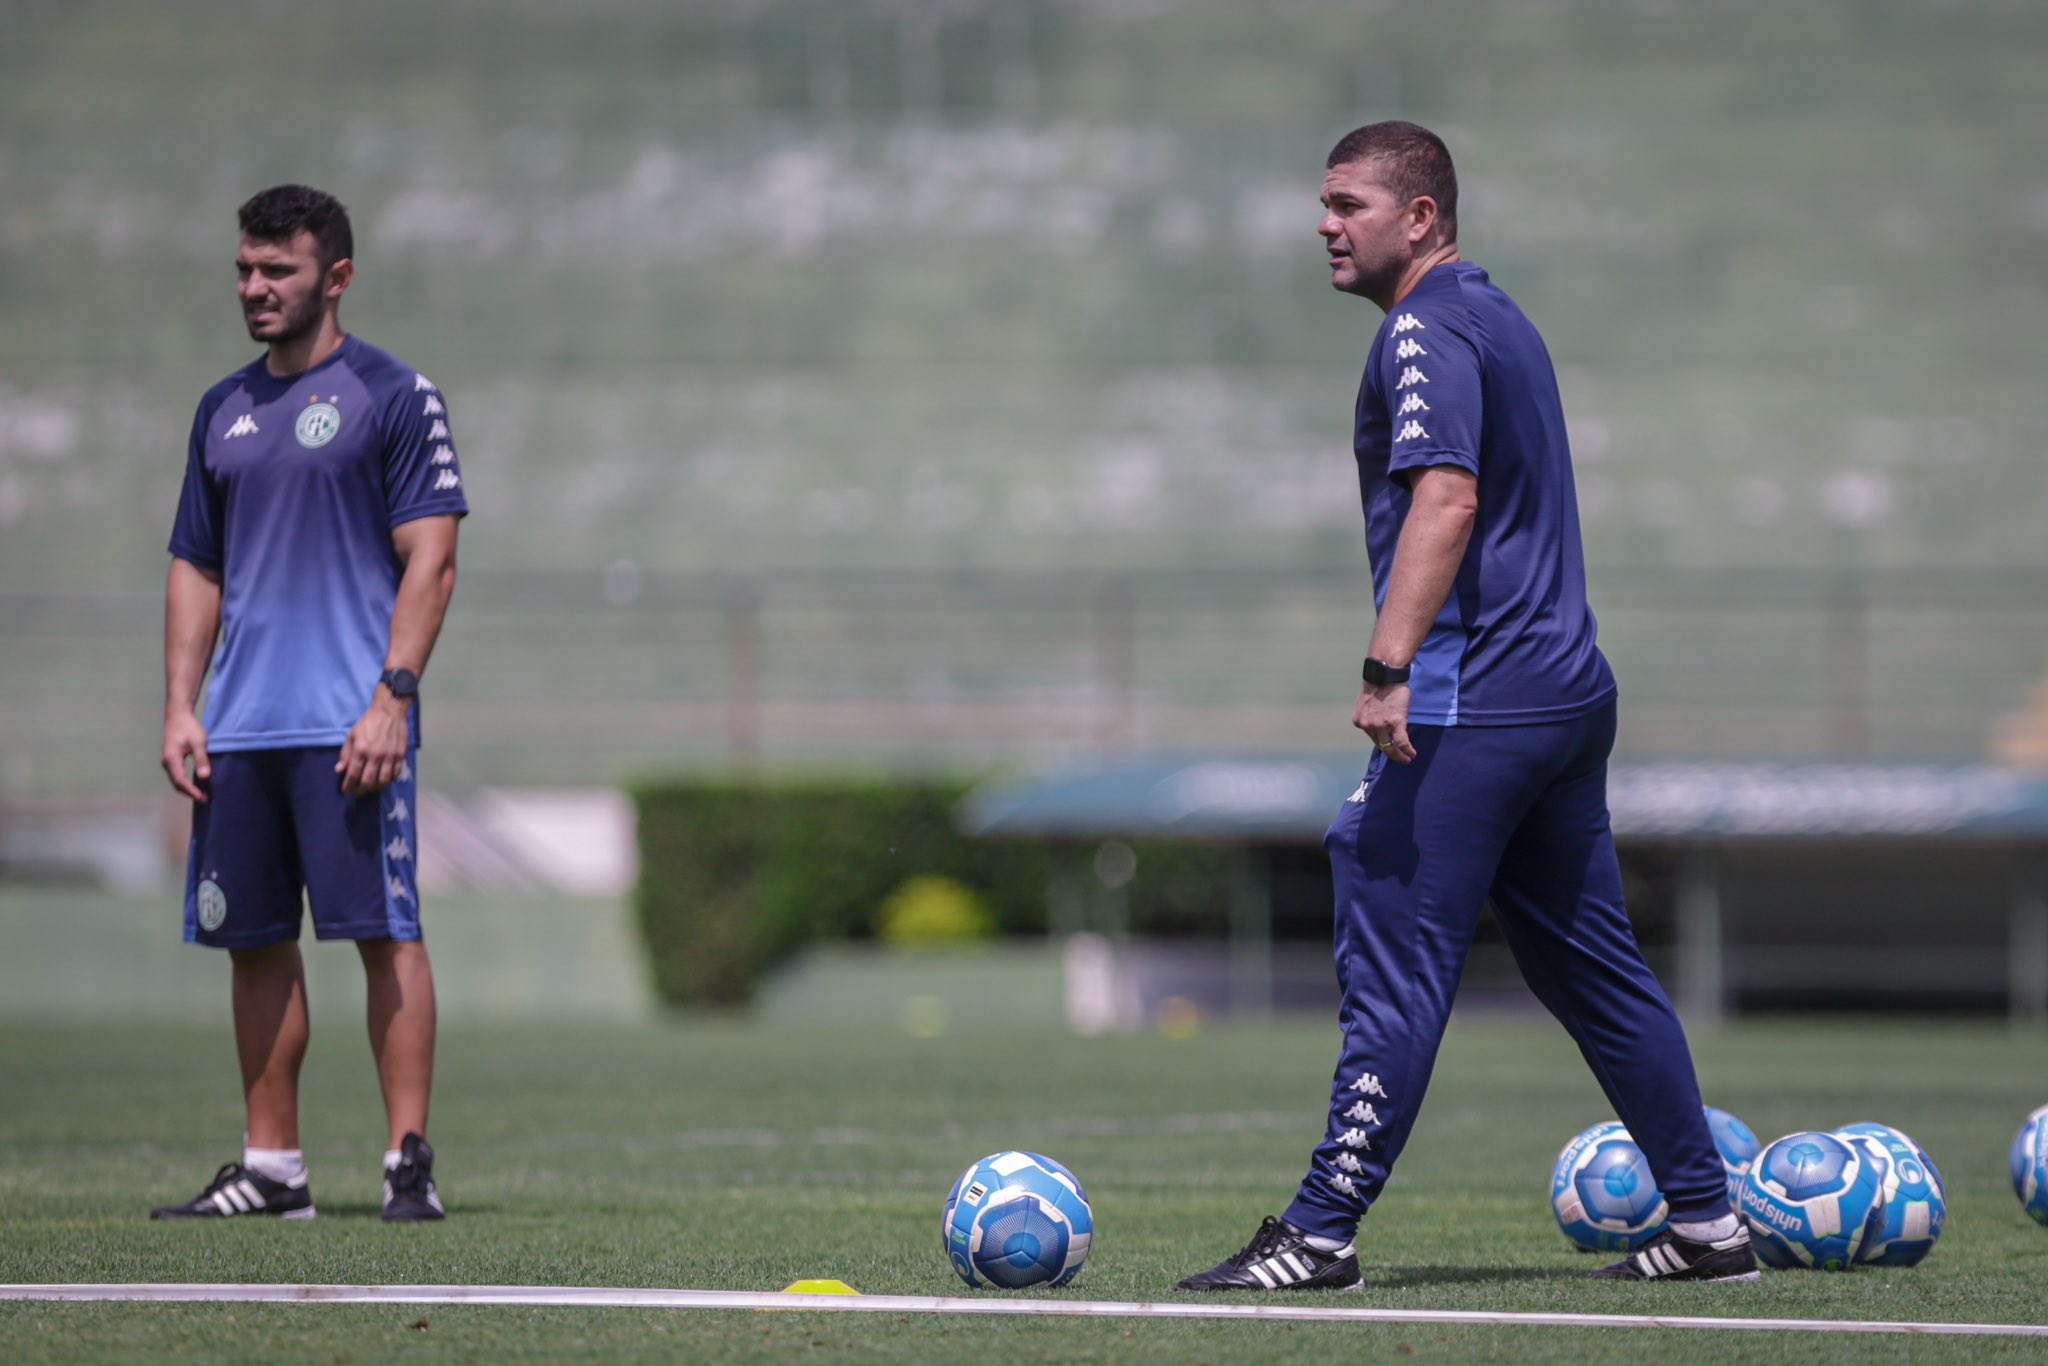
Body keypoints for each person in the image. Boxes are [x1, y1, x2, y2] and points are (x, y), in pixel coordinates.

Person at [1178, 123, 1756, 1289]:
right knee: (1590, 968)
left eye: (1348, 203)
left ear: (1421, 218)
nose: (1325, 224)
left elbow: (1445, 497)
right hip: (1560, 689)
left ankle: (1319, 1230)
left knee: (1388, 926)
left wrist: (1387, 663)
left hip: (1473, 695)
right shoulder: (1497, 317)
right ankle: (1707, 1226)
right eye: (1323, 204)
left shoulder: (1423, 328)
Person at [151, 185, 467, 1223]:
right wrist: (180, 707)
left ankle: (405, 1162)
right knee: (251, 942)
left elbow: (433, 559)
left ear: (335, 276)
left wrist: (392, 698)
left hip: (350, 728)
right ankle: (272, 1169)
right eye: (244, 269)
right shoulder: (221, 408)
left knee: (385, 932)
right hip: (240, 730)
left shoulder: (392, 394)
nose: (255, 288)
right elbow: (195, 566)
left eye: (276, 270)